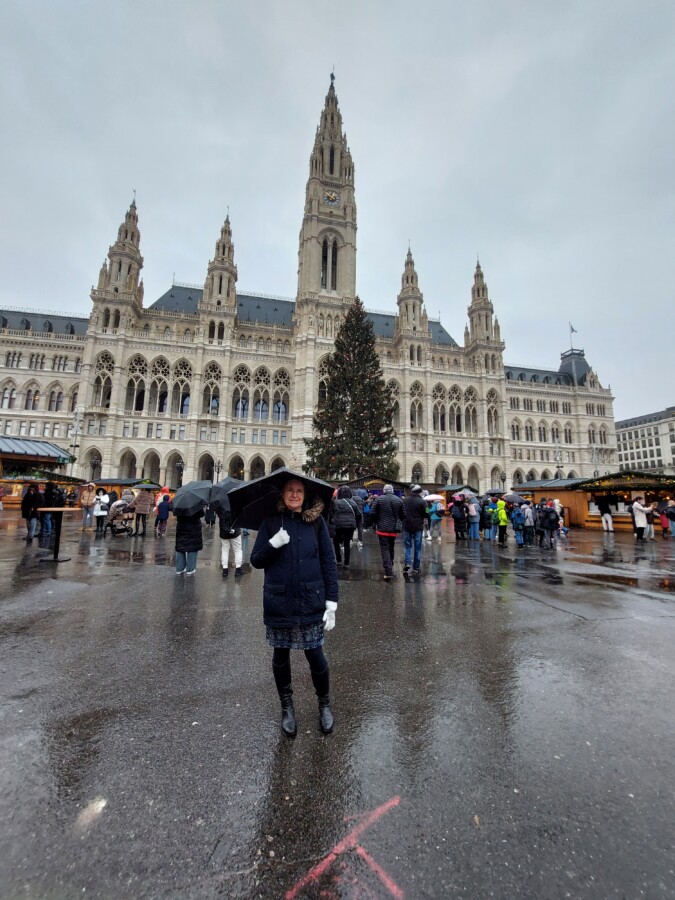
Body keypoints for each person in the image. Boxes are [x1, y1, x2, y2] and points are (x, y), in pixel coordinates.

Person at [250, 477, 338, 736]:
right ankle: (287, 706)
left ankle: (324, 703)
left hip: (311, 599)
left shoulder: (316, 522)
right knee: (281, 657)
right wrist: (273, 544)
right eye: (290, 490)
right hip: (280, 600)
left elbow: (329, 563)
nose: (294, 495)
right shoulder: (270, 522)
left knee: (315, 656)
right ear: (283, 494)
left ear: (305, 495)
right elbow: (256, 560)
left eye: (299, 491)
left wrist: (331, 602)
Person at [370, 485, 404, 581]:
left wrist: (377, 521)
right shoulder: (398, 500)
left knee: (384, 549)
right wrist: (397, 520)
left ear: (384, 491)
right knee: (391, 547)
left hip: (382, 529)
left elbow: (372, 513)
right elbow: (403, 514)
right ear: (392, 490)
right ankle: (390, 563)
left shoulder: (379, 500)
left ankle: (388, 571)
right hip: (394, 529)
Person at [329, 486, 361, 569]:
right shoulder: (353, 503)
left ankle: (339, 561)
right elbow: (358, 515)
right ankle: (346, 563)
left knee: (336, 543)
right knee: (347, 544)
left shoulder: (336, 502)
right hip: (350, 526)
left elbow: (332, 513)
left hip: (337, 525)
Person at [402, 484, 427, 575]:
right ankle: (416, 567)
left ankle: (407, 563)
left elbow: (402, 512)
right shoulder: (422, 502)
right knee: (417, 548)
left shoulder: (405, 500)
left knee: (408, 546)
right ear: (419, 492)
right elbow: (427, 514)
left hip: (407, 526)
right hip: (418, 527)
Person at [173, 506, 204, 575]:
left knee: (181, 547)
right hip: (194, 528)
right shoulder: (195, 503)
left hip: (182, 527)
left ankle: (179, 568)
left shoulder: (179, 504)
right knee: (192, 548)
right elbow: (202, 514)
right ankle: (190, 569)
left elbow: (175, 513)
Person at [218, 502, 243, 576]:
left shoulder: (220, 503)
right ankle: (238, 569)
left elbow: (220, 519)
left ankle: (225, 570)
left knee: (225, 550)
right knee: (238, 549)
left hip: (224, 533)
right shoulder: (236, 503)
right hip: (235, 532)